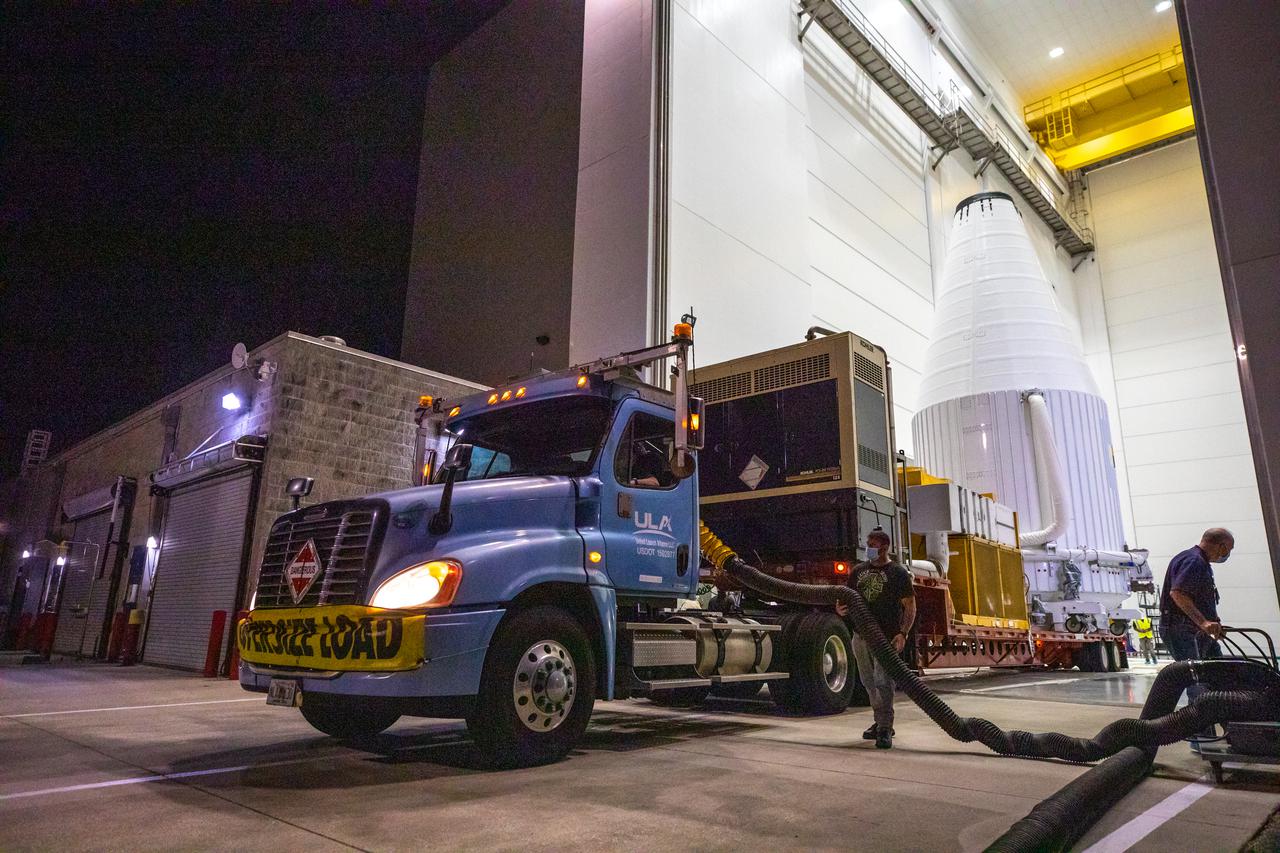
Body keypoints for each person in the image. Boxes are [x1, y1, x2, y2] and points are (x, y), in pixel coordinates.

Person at [834, 528, 916, 749]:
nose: (869, 548)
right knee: (868, 681)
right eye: (868, 543)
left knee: (883, 682)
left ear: (885, 547)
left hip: (886, 638)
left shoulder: (897, 573)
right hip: (860, 636)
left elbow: (909, 605)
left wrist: (903, 632)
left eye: (873, 545)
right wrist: (841, 609)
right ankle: (878, 721)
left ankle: (885, 728)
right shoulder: (858, 571)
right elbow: (847, 599)